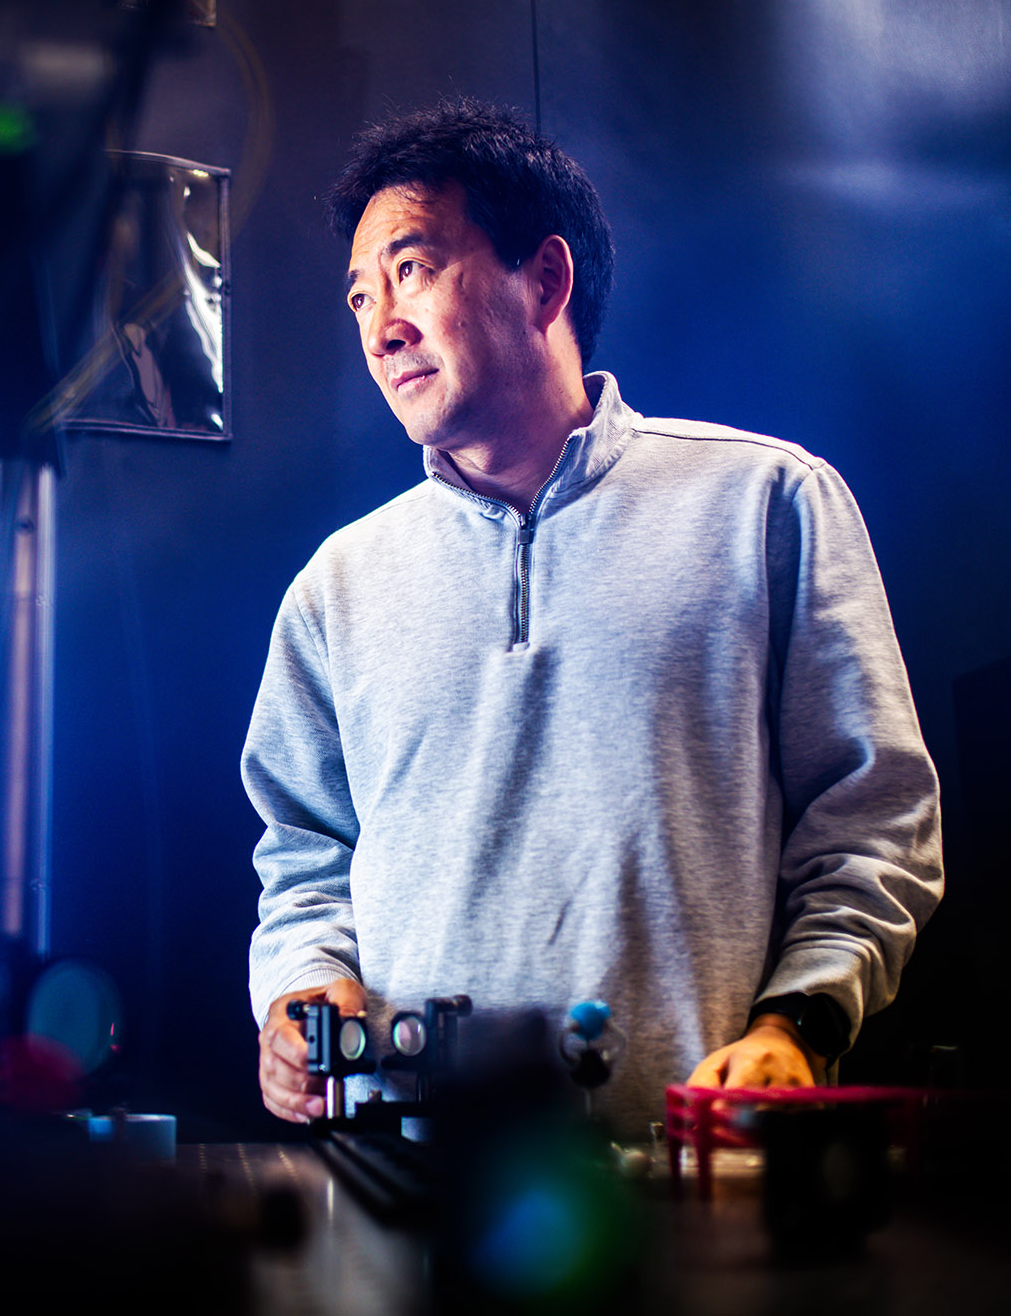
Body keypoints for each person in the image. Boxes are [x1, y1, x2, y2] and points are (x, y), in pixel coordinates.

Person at [243, 99, 944, 1137]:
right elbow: (302, 854)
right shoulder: (335, 585)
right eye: (357, 296)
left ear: (546, 281)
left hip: (696, 1174)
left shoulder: (766, 504)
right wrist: (301, 994)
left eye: (411, 269)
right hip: (412, 1186)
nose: (379, 325)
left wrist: (796, 1025)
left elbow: (871, 819)